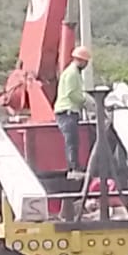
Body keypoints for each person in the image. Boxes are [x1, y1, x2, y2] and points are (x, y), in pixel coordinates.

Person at [54, 45, 91, 174]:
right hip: (67, 112)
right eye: (85, 62)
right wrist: (84, 101)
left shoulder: (72, 73)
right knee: (72, 142)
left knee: (73, 141)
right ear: (81, 60)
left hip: (69, 112)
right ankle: (74, 168)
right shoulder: (72, 73)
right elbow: (71, 94)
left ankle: (74, 167)